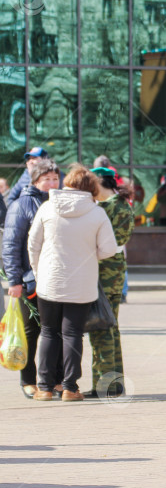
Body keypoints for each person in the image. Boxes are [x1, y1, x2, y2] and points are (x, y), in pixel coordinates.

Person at [28, 164, 117, 401]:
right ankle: (69, 388)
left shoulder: (47, 208)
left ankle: (44, 387)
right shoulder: (97, 212)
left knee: (48, 332)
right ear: (91, 187)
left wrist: (39, 272)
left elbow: (33, 244)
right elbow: (109, 249)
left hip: (49, 280)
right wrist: (89, 255)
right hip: (82, 283)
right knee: (72, 334)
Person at [3, 159, 60, 400]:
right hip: (29, 280)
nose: (52, 183)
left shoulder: (60, 202)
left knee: (55, 331)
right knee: (30, 332)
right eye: (46, 179)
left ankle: (55, 380)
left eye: (55, 178)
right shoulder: (22, 204)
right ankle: (27, 380)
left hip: (57, 278)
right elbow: (11, 245)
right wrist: (14, 280)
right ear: (35, 181)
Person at [86, 167, 135, 399]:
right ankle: (114, 383)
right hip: (115, 272)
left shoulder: (105, 208)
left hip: (103, 273)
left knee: (101, 330)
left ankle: (105, 384)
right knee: (111, 328)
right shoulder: (122, 204)